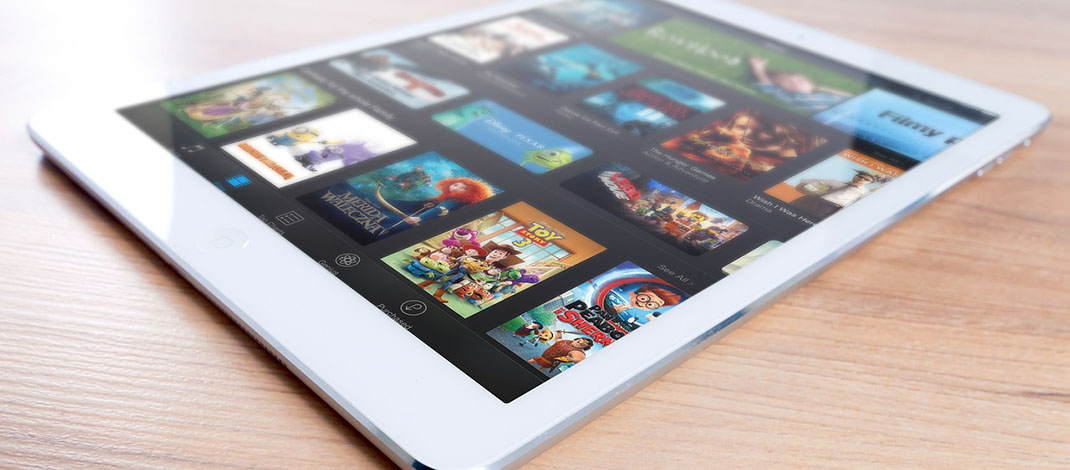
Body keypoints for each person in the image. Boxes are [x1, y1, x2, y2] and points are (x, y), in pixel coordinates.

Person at [748, 56, 851, 114]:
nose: (794, 82)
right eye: (786, 81)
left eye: (800, 80)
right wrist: (758, 69)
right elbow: (767, 85)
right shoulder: (790, 97)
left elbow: (848, 96)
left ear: (810, 83)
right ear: (781, 87)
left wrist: (820, 88)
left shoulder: (825, 95)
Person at [792, 170, 883, 218]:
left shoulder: (864, 193)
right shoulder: (836, 182)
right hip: (810, 200)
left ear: (869, 183)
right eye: (860, 176)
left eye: (866, 179)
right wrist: (804, 184)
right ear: (855, 176)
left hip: (829, 207)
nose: (861, 179)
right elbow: (807, 181)